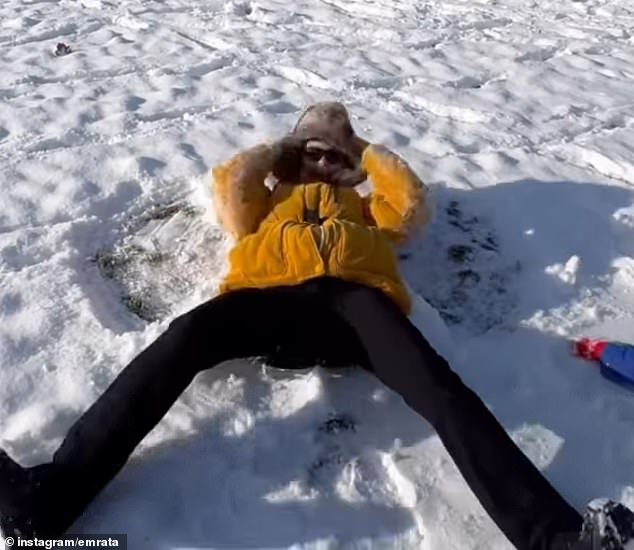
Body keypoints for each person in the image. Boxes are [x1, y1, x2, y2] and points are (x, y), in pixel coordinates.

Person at [0, 102, 632, 550]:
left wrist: (366, 156)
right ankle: (48, 500)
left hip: (356, 306)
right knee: (183, 341)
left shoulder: (364, 206)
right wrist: (274, 155)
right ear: (292, 155)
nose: (322, 159)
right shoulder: (268, 203)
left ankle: (555, 536)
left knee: (440, 391)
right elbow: (230, 190)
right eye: (311, 148)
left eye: (334, 150)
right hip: (268, 296)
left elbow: (409, 204)